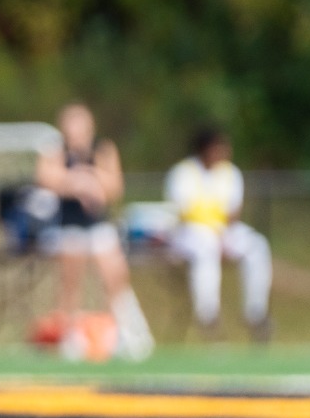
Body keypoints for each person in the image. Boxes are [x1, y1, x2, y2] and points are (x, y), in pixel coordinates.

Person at [36, 103, 153, 361]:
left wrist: (90, 176)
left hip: (98, 225)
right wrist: (76, 183)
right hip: (68, 225)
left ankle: (120, 332)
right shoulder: (55, 150)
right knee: (70, 278)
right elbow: (46, 178)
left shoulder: (103, 150)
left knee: (114, 276)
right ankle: (70, 336)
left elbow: (113, 187)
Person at [164, 127, 272, 340]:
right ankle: (208, 315)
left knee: (257, 246)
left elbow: (232, 212)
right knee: (206, 248)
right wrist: (214, 235)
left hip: (223, 231)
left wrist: (222, 235)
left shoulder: (230, 173)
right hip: (191, 233)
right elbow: (184, 212)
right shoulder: (183, 173)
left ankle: (255, 312)